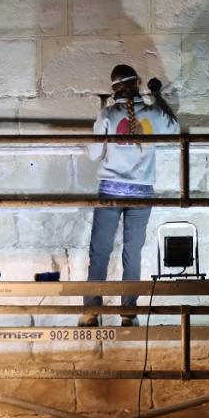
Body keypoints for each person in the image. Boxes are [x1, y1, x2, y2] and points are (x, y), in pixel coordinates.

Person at [81, 64, 179, 327]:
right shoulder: (154, 114)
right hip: (142, 193)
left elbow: (92, 154)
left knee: (100, 252)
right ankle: (128, 313)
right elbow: (174, 128)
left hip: (110, 191)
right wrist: (156, 97)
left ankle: (91, 312)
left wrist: (98, 116)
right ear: (139, 83)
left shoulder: (108, 115)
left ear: (114, 89)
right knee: (132, 252)